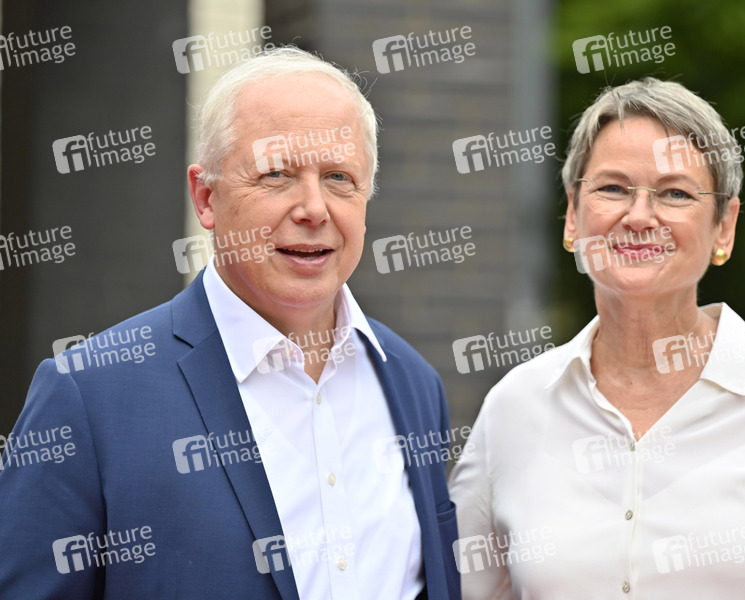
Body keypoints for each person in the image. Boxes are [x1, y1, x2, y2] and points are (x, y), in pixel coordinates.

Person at [0, 47, 460, 600]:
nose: (314, 208)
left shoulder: (413, 383)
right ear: (206, 198)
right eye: (276, 174)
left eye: (339, 177)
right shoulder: (89, 396)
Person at [448, 77, 745, 599]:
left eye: (675, 193)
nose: (639, 217)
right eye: (612, 188)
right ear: (572, 214)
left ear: (723, 226)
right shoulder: (513, 408)